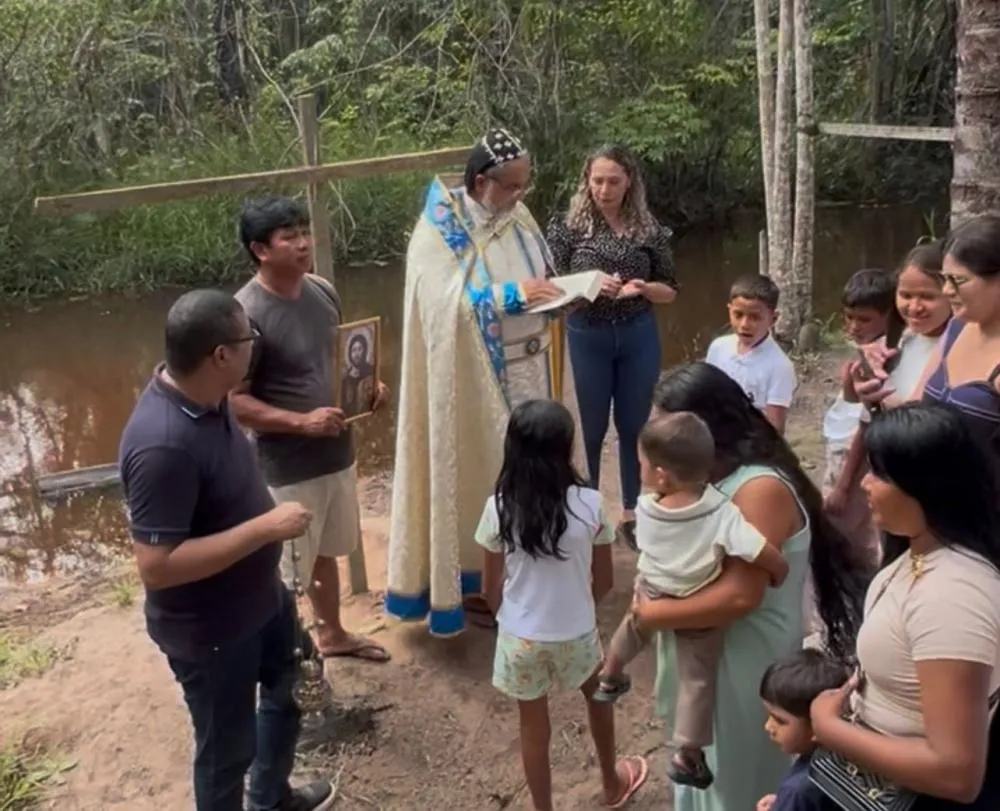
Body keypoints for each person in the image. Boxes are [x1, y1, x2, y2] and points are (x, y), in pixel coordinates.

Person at [118, 289, 336, 811]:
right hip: (211, 630)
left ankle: (271, 799)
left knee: (291, 687)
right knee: (225, 753)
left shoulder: (210, 399)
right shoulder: (162, 444)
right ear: (221, 355)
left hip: (262, 599)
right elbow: (157, 567)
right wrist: (265, 529)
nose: (254, 345)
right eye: (249, 337)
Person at [635, 362, 868, 811]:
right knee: (703, 774)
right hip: (707, 650)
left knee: (734, 782)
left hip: (743, 659)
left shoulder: (758, 489)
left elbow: (740, 595)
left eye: (663, 423)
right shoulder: (699, 485)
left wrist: (649, 614)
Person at [384, 127, 583, 636]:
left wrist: (560, 294)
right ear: (480, 182)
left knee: (540, 467)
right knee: (488, 474)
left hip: (537, 368)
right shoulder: (437, 231)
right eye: (512, 186)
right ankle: (480, 585)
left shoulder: (518, 216)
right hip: (478, 383)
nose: (520, 196)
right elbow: (441, 309)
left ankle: (537, 561)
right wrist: (511, 296)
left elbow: (542, 275)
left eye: (524, 185)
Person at [809, 403, 1000, 810]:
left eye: (879, 473)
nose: (864, 483)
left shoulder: (952, 596)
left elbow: (956, 772)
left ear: (923, 486)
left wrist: (829, 727)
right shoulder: (921, 552)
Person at [231, 197, 390, 664]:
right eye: (290, 237)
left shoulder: (321, 291)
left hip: (336, 452)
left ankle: (332, 634)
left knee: (325, 551)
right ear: (261, 250)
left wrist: (369, 388)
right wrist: (301, 422)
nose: (304, 243)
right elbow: (233, 400)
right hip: (286, 466)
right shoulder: (244, 314)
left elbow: (338, 361)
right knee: (285, 567)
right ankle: (283, 659)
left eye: (305, 232)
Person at [593, 412, 788, 789]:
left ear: (661, 476)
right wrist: (779, 569)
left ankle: (610, 674)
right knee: (696, 679)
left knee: (633, 627)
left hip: (652, 590)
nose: (639, 471)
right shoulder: (721, 512)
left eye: (641, 464)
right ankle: (688, 751)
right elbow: (757, 549)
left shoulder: (646, 507)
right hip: (696, 603)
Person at [474, 399, 648, 811]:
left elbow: (489, 588)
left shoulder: (499, 506)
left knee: (533, 727)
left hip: (520, 637)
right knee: (598, 699)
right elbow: (604, 580)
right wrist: (578, 605)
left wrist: (510, 617)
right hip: (576, 631)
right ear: (568, 448)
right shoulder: (590, 504)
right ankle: (611, 784)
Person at [545, 144, 678, 549]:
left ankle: (632, 513)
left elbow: (670, 290)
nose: (604, 190)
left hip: (638, 333)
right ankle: (587, 513)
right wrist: (588, 284)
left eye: (613, 181)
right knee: (588, 428)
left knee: (635, 425)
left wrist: (644, 287)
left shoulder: (648, 228)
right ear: (586, 181)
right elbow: (550, 291)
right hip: (587, 334)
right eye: (597, 180)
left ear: (629, 182)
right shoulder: (566, 228)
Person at [853, 217, 1000, 480]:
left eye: (958, 280)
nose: (947, 290)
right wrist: (874, 394)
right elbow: (919, 413)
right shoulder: (957, 327)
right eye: (945, 279)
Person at [755, 650, 851, 811]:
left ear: (817, 727)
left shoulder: (797, 790)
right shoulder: (848, 759)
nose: (768, 726)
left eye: (780, 721)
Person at [705, 274, 797, 435]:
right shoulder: (718, 348)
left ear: (773, 319)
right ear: (729, 310)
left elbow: (775, 430)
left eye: (755, 317)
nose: (744, 325)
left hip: (750, 442)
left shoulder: (780, 367)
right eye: (738, 315)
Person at [341, 331, 375, 419]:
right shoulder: (345, 379)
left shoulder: (371, 372)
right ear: (349, 353)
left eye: (359, 349)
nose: (356, 354)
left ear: (365, 350)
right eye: (353, 350)